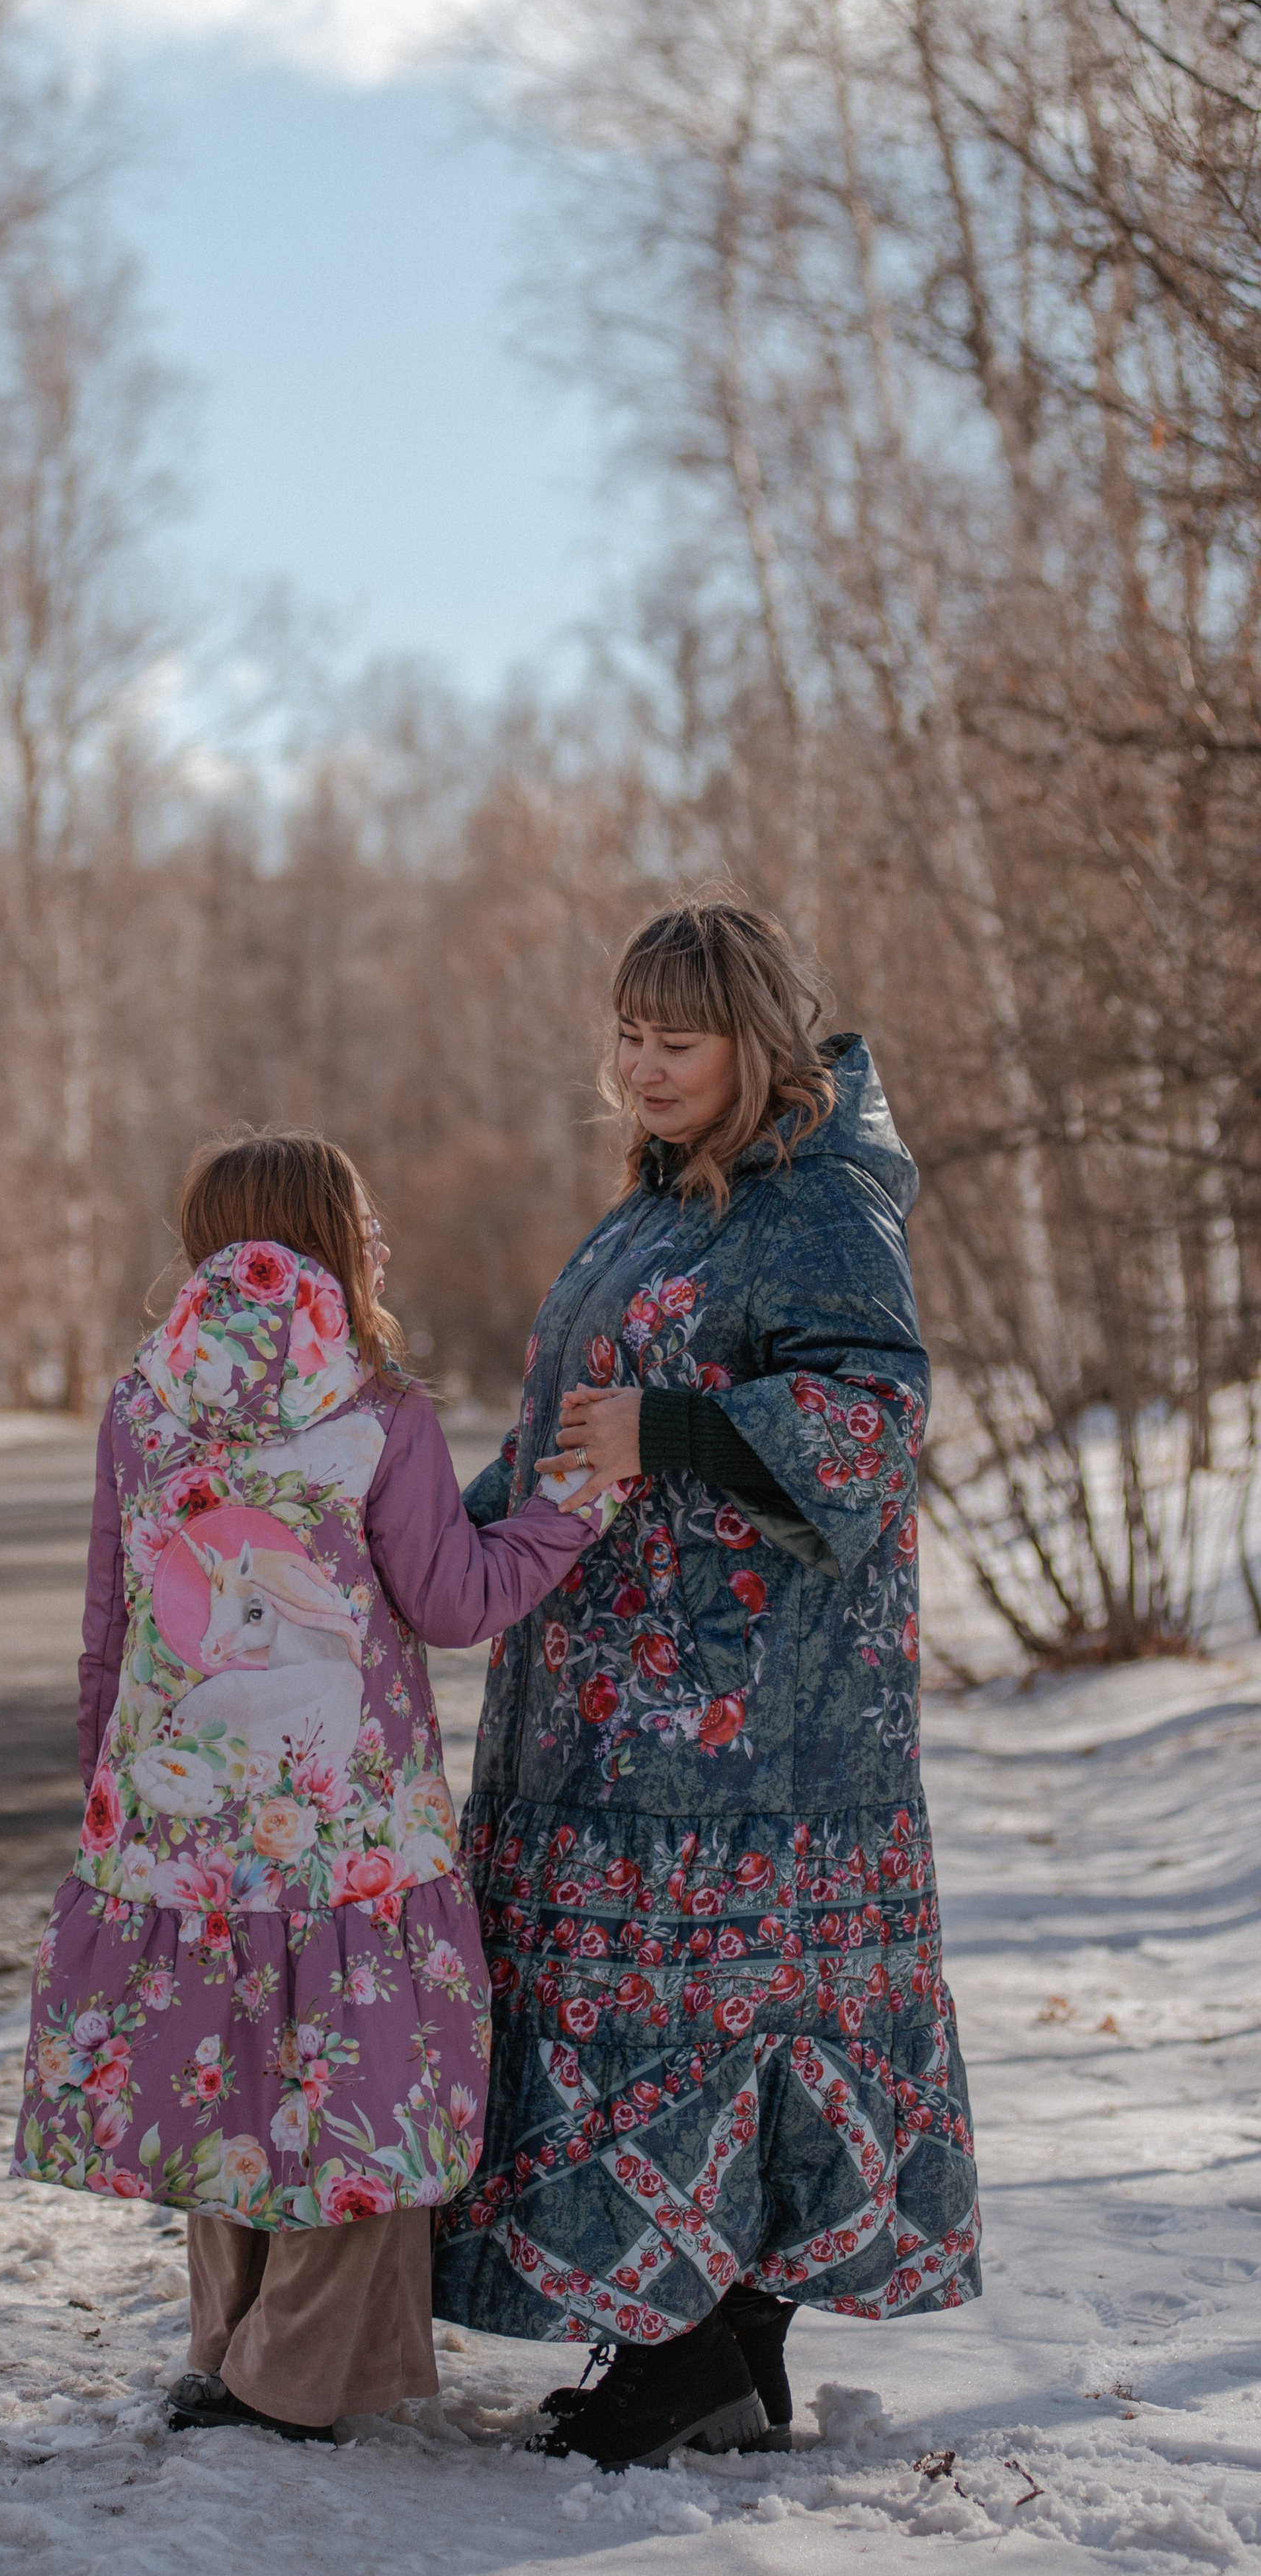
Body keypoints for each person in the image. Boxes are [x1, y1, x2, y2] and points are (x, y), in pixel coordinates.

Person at [431, 896, 981, 2473]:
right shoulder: (662, 1202)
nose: (642, 1062)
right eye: (626, 1032)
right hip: (614, 1697)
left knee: (703, 2020)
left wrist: (673, 1434)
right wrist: (436, 1535)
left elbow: (872, 1418)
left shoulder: (817, 1205)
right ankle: (713, 2364)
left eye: (676, 1037)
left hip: (752, 1731)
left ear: (757, 1042)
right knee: (675, 2024)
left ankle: (683, 2352)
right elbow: (569, 1424)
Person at [11, 1130, 625, 2442]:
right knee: (358, 2087)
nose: (383, 1240)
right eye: (365, 1217)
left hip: (175, 1823)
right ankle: (290, 2378)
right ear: (323, 1242)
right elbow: (458, 1601)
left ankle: (224, 2353)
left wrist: (110, 1801)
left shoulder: (142, 1404)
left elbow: (109, 1626)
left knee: (219, 2079)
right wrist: (578, 1495)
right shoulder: (375, 1415)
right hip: (349, 1834)